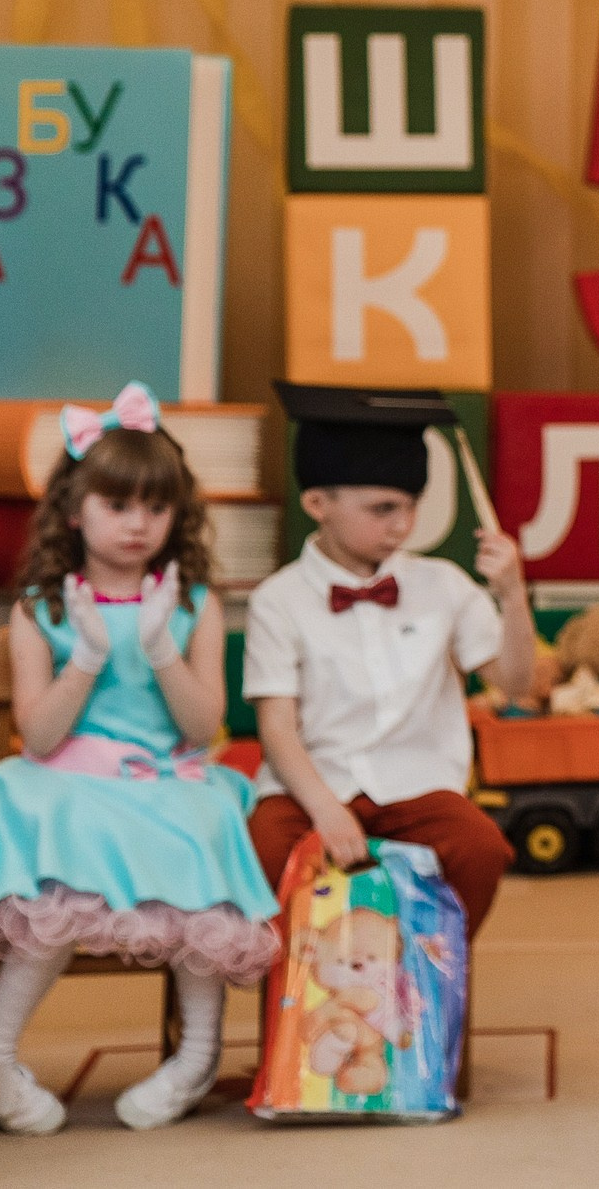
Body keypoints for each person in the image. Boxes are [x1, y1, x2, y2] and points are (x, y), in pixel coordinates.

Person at [0, 385, 279, 1134]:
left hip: (168, 780)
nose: (138, 524)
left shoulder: (194, 599)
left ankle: (197, 1052)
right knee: (56, 868)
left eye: (156, 507)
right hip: (68, 778)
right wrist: (91, 657)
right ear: (76, 511)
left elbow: (205, 728)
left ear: (177, 515)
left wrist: (161, 644)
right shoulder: (41, 605)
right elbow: (38, 737)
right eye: (117, 504)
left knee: (204, 830)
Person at [244, 384, 536, 937]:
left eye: (409, 508)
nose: (402, 525)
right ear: (317, 505)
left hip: (417, 787)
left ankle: (427, 979)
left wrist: (513, 597)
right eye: (383, 509)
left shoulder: (443, 585)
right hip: (310, 786)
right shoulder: (278, 600)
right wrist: (327, 810)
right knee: (265, 848)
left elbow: (517, 684)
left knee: (480, 848)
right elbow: (277, 730)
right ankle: (300, 1003)